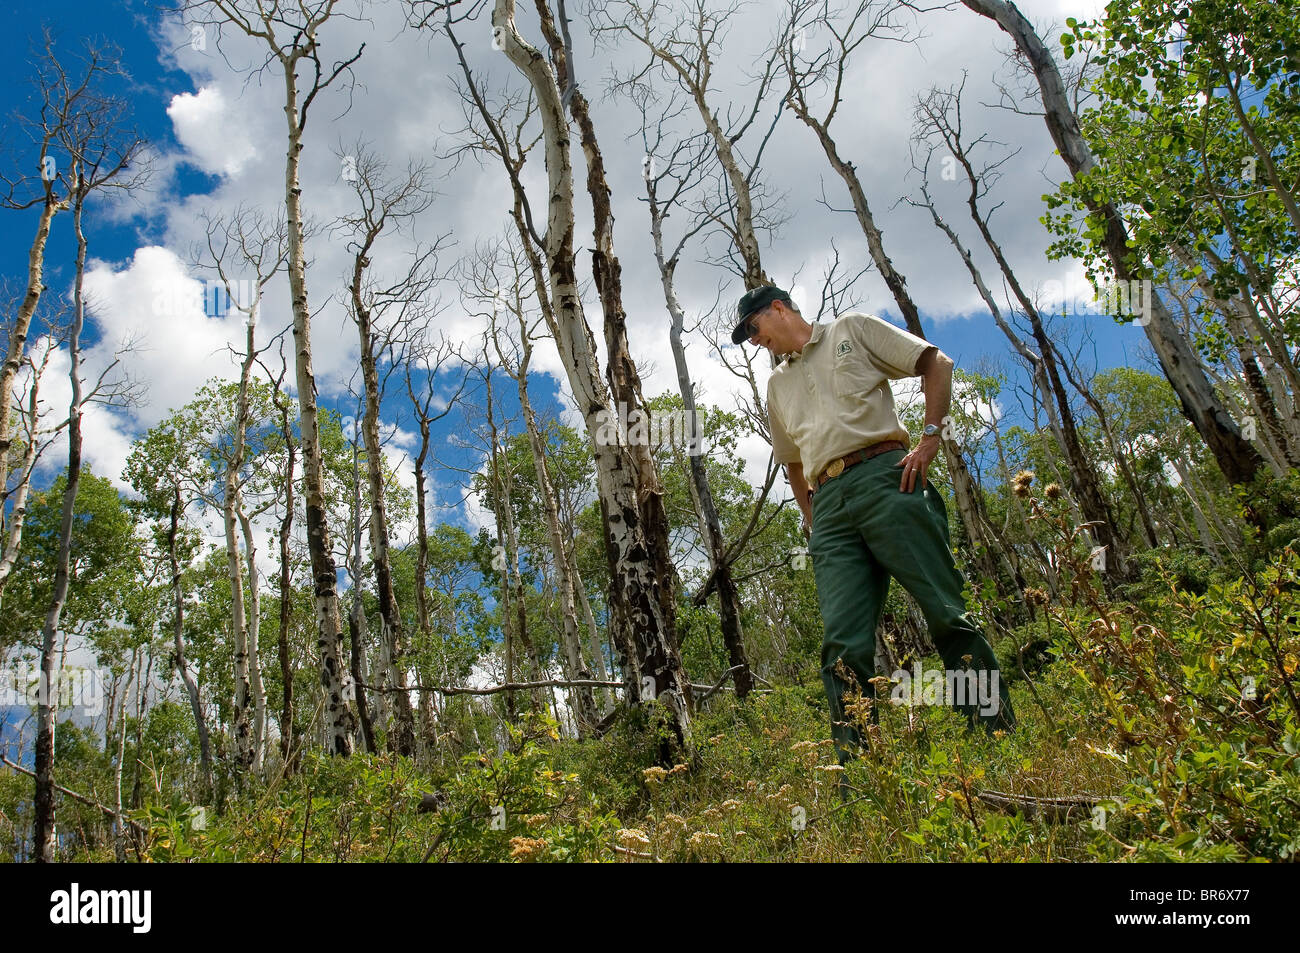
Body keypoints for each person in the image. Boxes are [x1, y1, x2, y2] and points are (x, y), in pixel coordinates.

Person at [732, 285, 1015, 763]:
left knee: (946, 611)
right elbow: (793, 463)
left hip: (888, 478)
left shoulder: (852, 329)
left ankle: (996, 741)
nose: (755, 342)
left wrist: (928, 442)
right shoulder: (777, 386)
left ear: (778, 309)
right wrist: (811, 517)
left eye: (754, 329)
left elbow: (936, 364)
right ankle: (860, 776)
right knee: (842, 646)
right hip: (830, 508)